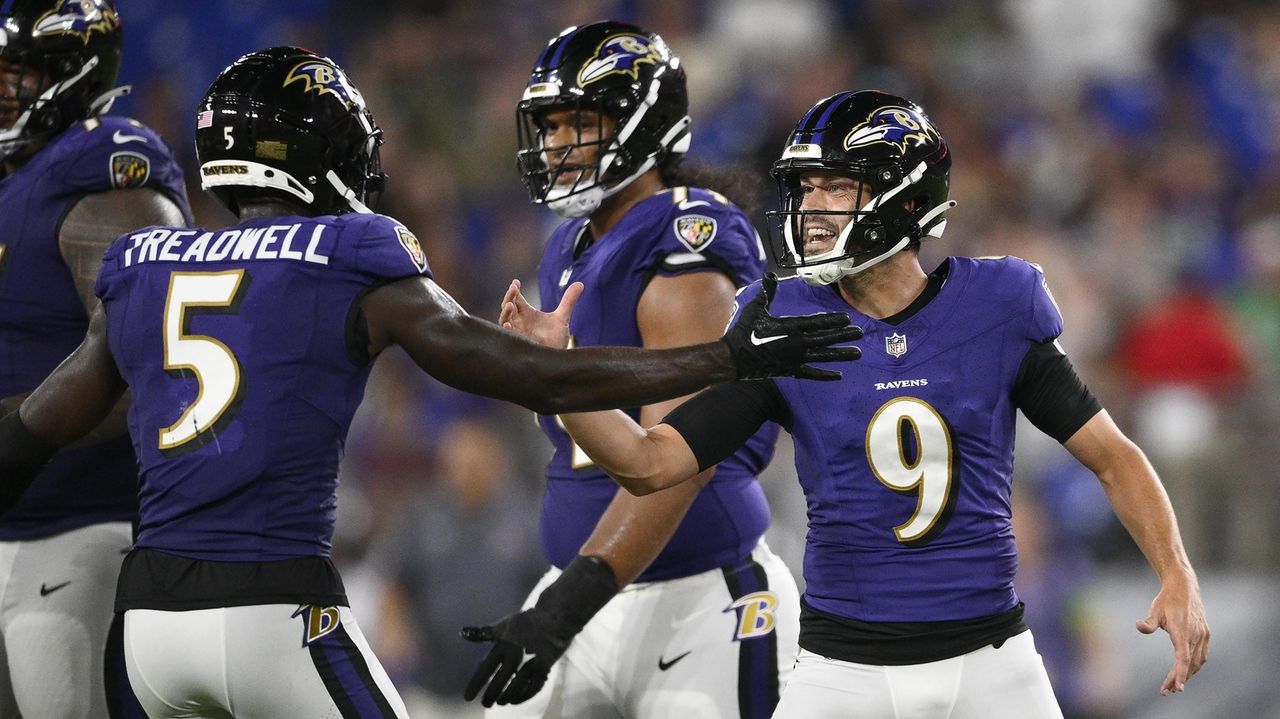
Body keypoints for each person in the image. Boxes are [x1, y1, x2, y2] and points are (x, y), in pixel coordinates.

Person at [0, 47, 858, 718]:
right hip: (273, 607)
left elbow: (37, 428)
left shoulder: (143, 262)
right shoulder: (351, 251)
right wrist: (724, 359)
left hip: (148, 625)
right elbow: (529, 375)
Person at [495, 90, 1211, 718]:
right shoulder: (781, 319)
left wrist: (1176, 569)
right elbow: (652, 465)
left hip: (990, 658)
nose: (811, 208)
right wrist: (557, 377)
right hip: (843, 671)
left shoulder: (996, 305)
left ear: (904, 200)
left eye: (837, 187)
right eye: (806, 188)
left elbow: (1112, 455)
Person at [462, 21, 802, 717]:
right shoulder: (569, 246)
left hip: (700, 598)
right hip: (584, 585)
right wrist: (539, 372)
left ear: (645, 125)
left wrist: (568, 602)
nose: (556, 142)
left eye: (578, 122)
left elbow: (678, 458)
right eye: (548, 125)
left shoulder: (684, 237)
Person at [0, 1, 191, 717]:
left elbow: (154, 365)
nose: (1, 90)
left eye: (17, 74)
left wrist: (16, 439)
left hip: (80, 528)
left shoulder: (100, 171)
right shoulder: (20, 174)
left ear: (69, 77)